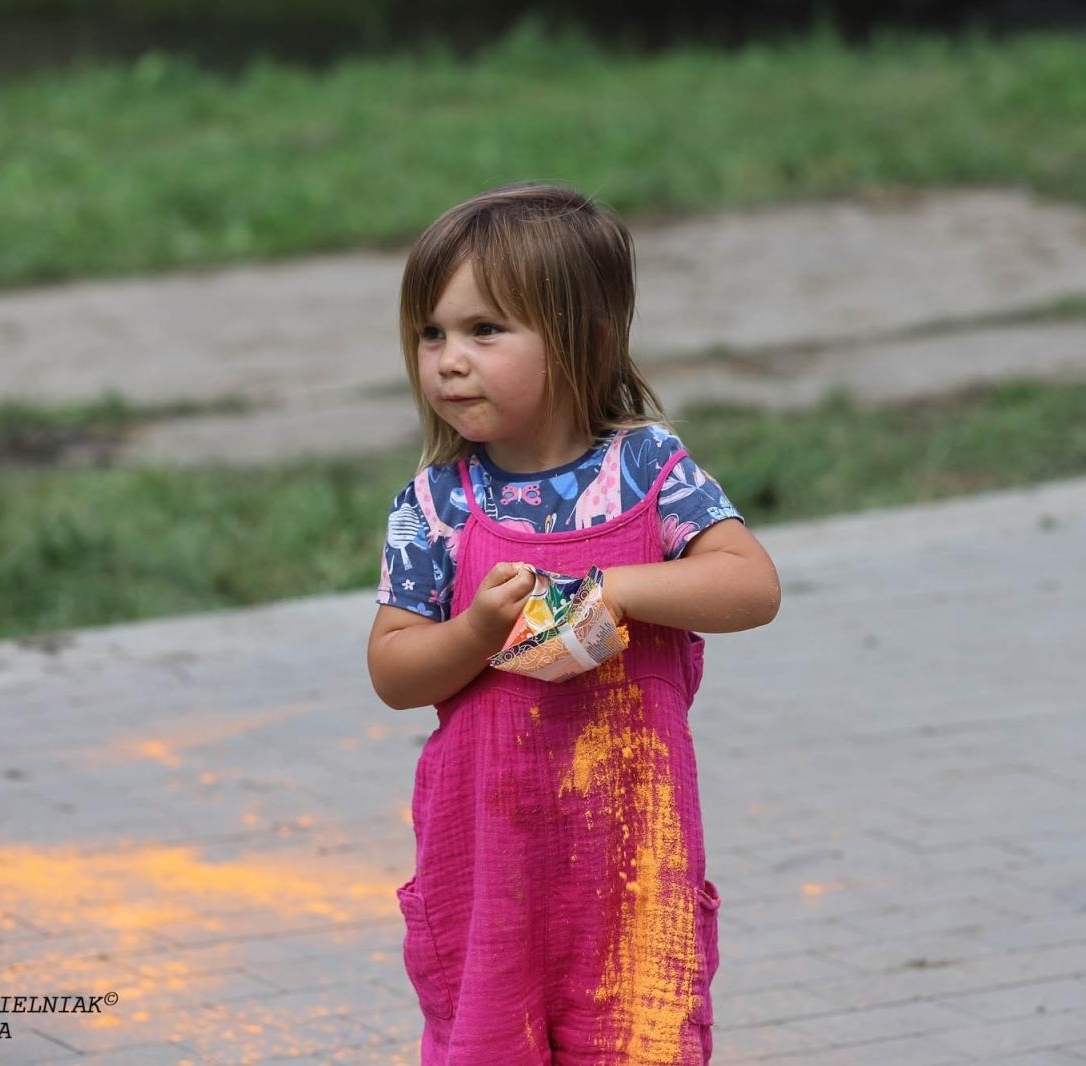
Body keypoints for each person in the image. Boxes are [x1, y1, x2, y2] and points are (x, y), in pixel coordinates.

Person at [367, 181, 780, 1066]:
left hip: (631, 860)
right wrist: (477, 629)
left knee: (639, 1041)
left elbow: (751, 585)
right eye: (430, 333)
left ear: (582, 339)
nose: (448, 360)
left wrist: (619, 591)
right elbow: (395, 673)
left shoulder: (646, 469)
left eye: (484, 330)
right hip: (488, 863)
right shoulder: (436, 505)